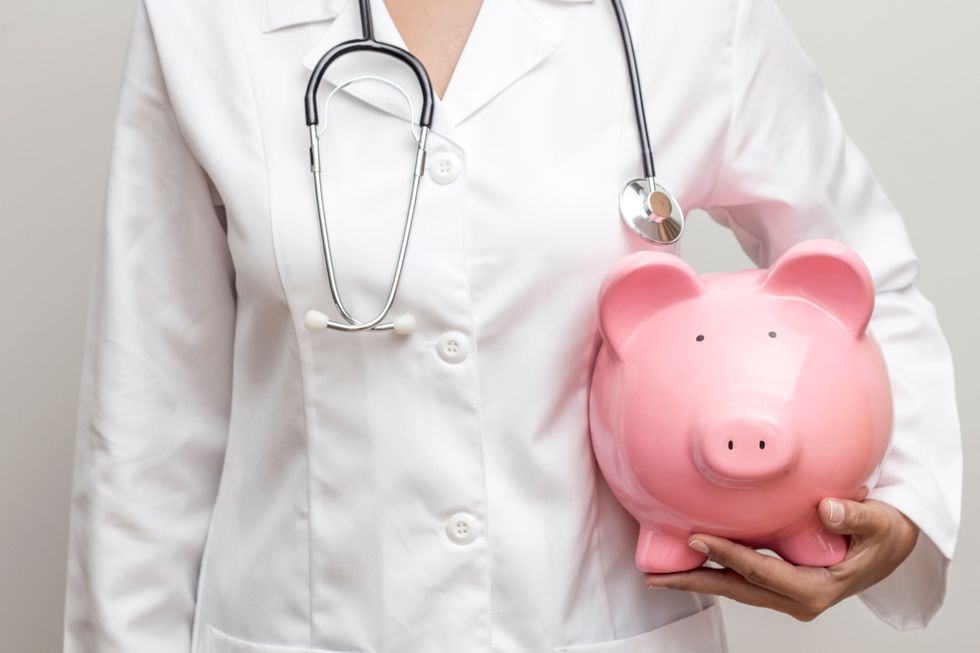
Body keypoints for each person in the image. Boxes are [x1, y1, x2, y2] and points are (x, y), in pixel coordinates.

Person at [63, 0, 962, 651]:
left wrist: (904, 511)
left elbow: (861, 275)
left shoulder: (692, 20)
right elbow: (147, 421)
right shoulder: (204, 20)